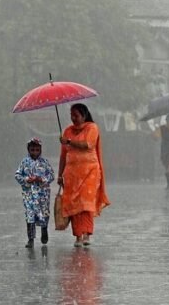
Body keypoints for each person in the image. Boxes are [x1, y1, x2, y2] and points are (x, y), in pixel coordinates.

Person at [57, 103, 110, 247]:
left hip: (90, 173)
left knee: (86, 204)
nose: (73, 118)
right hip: (72, 175)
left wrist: (68, 141)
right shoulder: (67, 131)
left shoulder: (92, 128)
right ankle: (78, 236)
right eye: (71, 115)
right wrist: (60, 174)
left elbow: (88, 144)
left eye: (76, 115)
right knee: (74, 205)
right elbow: (63, 155)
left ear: (84, 115)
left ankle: (87, 234)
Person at [15, 137, 54, 248]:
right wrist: (27, 180)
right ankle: (31, 239)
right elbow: (17, 175)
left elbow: (51, 176)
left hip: (43, 195)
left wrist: (41, 179)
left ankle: (44, 229)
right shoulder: (24, 162)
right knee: (30, 215)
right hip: (29, 194)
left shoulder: (45, 162)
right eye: (32, 150)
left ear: (40, 150)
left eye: (37, 150)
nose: (35, 152)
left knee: (44, 213)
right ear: (28, 150)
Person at [156, 114, 169, 189]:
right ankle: (168, 183)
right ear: (166, 120)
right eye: (168, 119)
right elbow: (155, 136)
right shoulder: (162, 128)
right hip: (164, 149)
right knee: (167, 166)